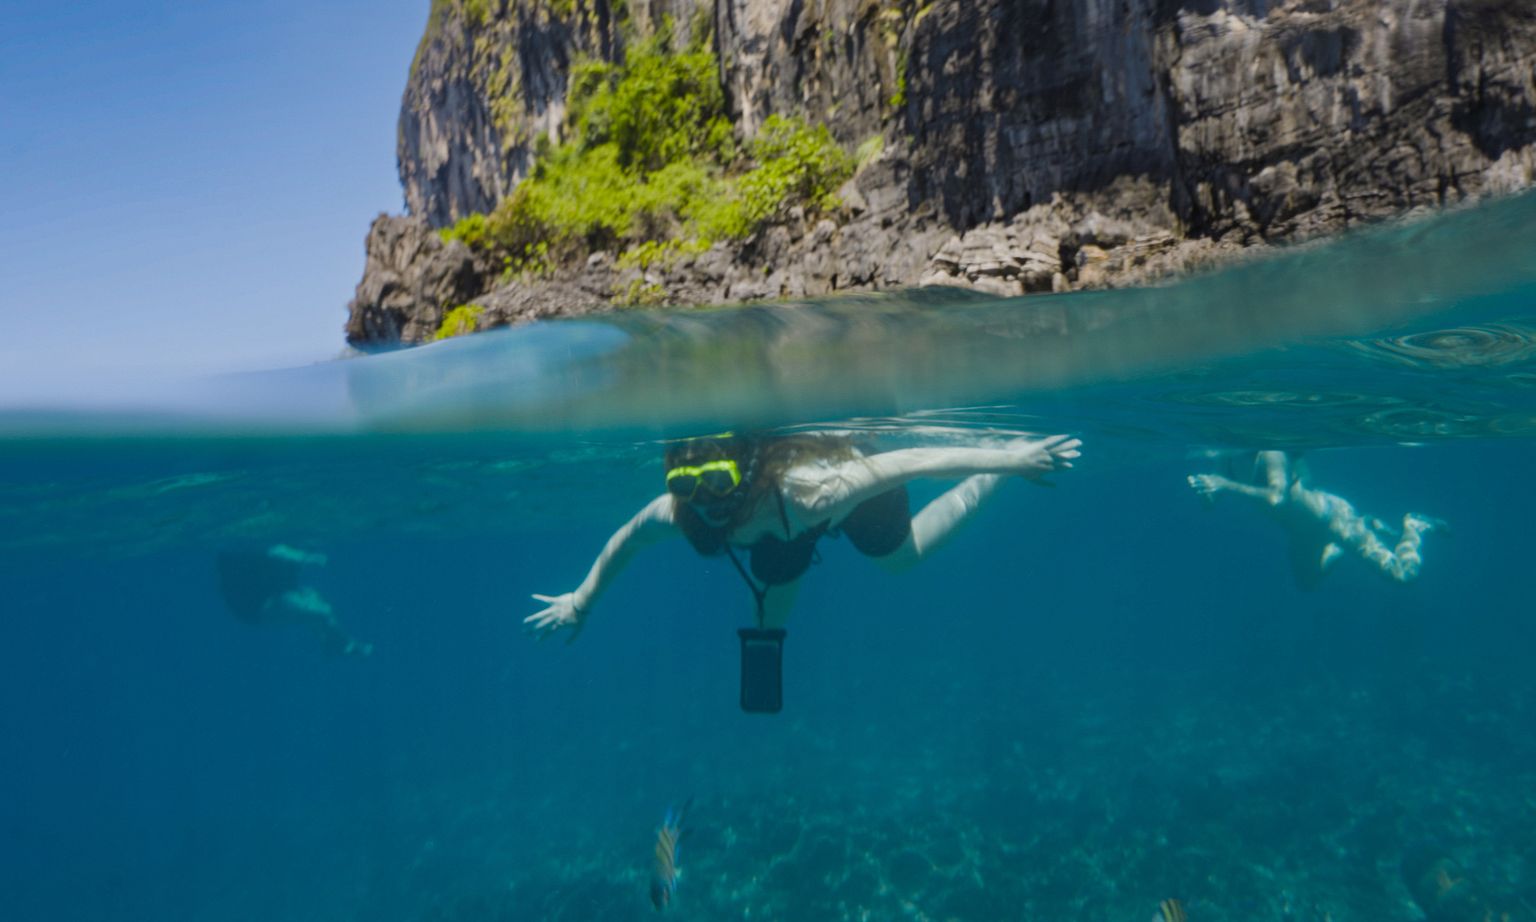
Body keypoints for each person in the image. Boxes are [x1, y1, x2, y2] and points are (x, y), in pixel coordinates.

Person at [525, 431, 1082, 640]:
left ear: (744, 476)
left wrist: (1007, 460)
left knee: (902, 558)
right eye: (690, 487)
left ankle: (984, 483)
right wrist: (581, 600)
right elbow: (627, 539)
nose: (709, 502)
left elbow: (912, 460)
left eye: (719, 483)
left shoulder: (811, 490)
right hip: (780, 539)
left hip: (848, 507)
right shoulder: (683, 511)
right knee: (771, 612)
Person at [1187, 450, 1439, 588]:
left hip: (1332, 518)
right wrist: (1206, 491)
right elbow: (1213, 499)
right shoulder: (1225, 454)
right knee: (1306, 584)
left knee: (1401, 575)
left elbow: (1277, 498)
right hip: (1301, 532)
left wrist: (1225, 485)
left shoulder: (1270, 453)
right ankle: (1349, 537)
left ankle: (1414, 525)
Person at [215, 544, 373, 656]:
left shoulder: (270, 557)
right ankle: (338, 644)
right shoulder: (271, 552)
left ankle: (334, 643)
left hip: (261, 596)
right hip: (254, 606)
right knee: (321, 611)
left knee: (316, 603)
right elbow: (279, 552)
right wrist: (307, 557)